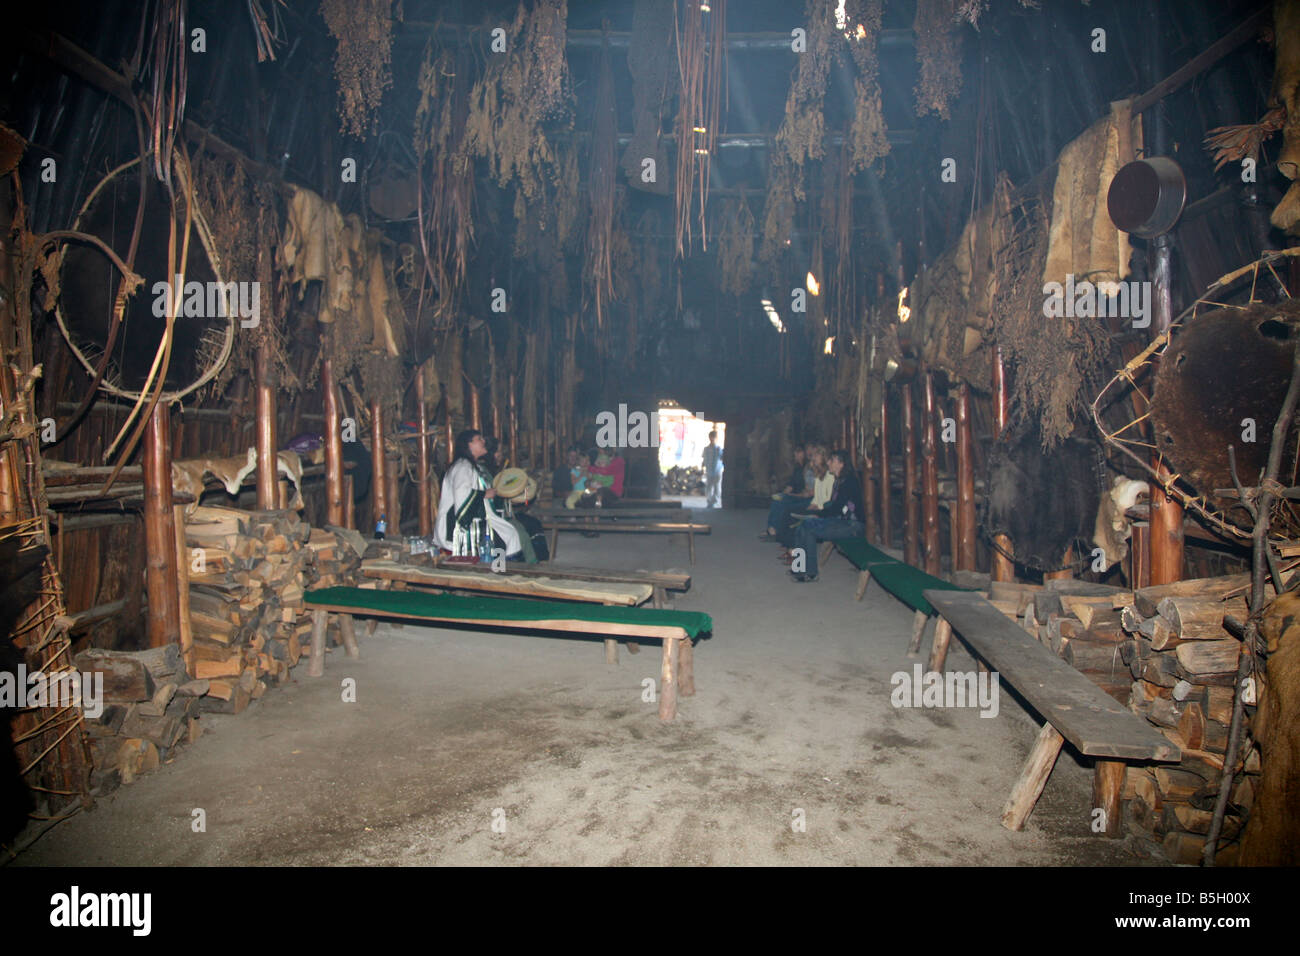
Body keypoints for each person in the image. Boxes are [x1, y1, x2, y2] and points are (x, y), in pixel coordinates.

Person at [433, 429, 521, 557]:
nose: (484, 441)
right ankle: (498, 570)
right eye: (479, 439)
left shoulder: (471, 466)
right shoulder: (463, 467)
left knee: (510, 533)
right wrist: (484, 494)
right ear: (469, 445)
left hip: (474, 518)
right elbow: (462, 495)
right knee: (504, 539)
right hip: (459, 526)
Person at [789, 448, 863, 583]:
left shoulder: (849, 482)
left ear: (841, 464)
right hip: (841, 522)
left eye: (832, 460)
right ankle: (798, 568)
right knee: (802, 526)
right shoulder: (839, 480)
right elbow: (833, 507)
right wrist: (815, 514)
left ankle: (811, 573)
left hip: (852, 526)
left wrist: (816, 514)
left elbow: (836, 508)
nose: (828, 463)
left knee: (809, 527)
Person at [760, 444, 811, 540]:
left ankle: (774, 529)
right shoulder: (797, 469)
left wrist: (790, 495)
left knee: (782, 502)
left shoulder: (808, 469)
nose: (795, 455)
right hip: (796, 495)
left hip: (802, 497)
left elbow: (808, 491)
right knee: (778, 500)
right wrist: (783, 494)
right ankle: (772, 528)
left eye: (798, 452)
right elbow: (791, 485)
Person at [702, 430, 723, 508]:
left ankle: (714, 501)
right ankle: (709, 501)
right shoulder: (706, 449)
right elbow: (704, 459)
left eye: (713, 438)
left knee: (717, 487)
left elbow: (722, 458)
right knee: (709, 487)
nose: (712, 439)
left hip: (717, 470)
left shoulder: (718, 449)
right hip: (709, 470)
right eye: (711, 438)